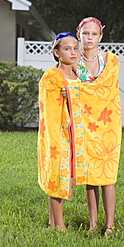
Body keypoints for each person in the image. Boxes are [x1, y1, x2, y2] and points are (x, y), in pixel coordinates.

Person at [75, 17, 122, 236]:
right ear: (79, 34)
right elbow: (66, 85)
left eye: (94, 34)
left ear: (100, 36)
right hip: (84, 124)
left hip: (108, 124)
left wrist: (80, 90)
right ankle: (93, 224)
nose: (89, 38)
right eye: (86, 34)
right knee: (90, 176)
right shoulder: (74, 61)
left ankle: (110, 225)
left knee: (108, 176)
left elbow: (109, 91)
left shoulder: (111, 61)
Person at [38, 32, 80, 231]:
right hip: (57, 133)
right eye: (66, 49)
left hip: (76, 133)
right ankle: (59, 224)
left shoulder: (80, 75)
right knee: (57, 174)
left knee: (66, 176)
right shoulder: (52, 76)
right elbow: (50, 109)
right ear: (57, 53)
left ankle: (52, 222)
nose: (72, 52)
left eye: (75, 48)